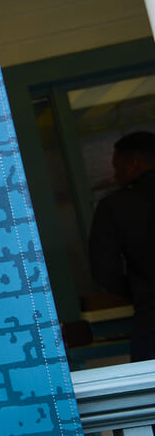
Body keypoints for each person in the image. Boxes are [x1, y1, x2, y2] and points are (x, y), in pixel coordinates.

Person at [89, 130, 155, 362]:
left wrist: (139, 289)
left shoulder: (115, 206)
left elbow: (105, 271)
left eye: (117, 167)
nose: (115, 176)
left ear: (134, 164)